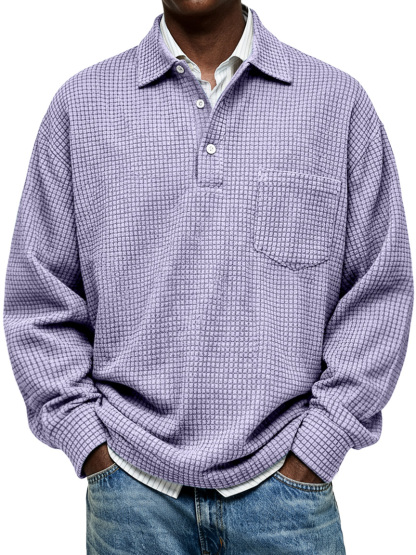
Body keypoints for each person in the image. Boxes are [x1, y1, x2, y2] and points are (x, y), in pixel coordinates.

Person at [3, 1, 413, 553]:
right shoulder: (82, 105)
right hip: (130, 494)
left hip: (289, 497)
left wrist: (320, 445)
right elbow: (38, 295)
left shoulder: (335, 103)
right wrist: (87, 441)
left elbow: (380, 289)